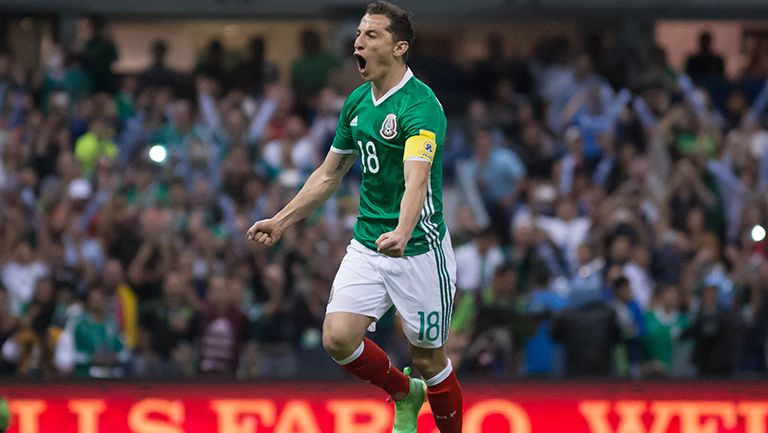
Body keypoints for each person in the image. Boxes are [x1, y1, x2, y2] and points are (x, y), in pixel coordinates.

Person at [246, 2, 462, 432]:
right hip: (367, 243)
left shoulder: (421, 107)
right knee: (338, 339)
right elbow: (329, 174)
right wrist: (281, 220)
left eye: (372, 35)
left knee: (428, 358)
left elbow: (416, 179)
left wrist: (403, 230)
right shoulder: (357, 102)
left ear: (400, 47)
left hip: (418, 248)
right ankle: (404, 391)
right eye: (359, 34)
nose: (359, 42)